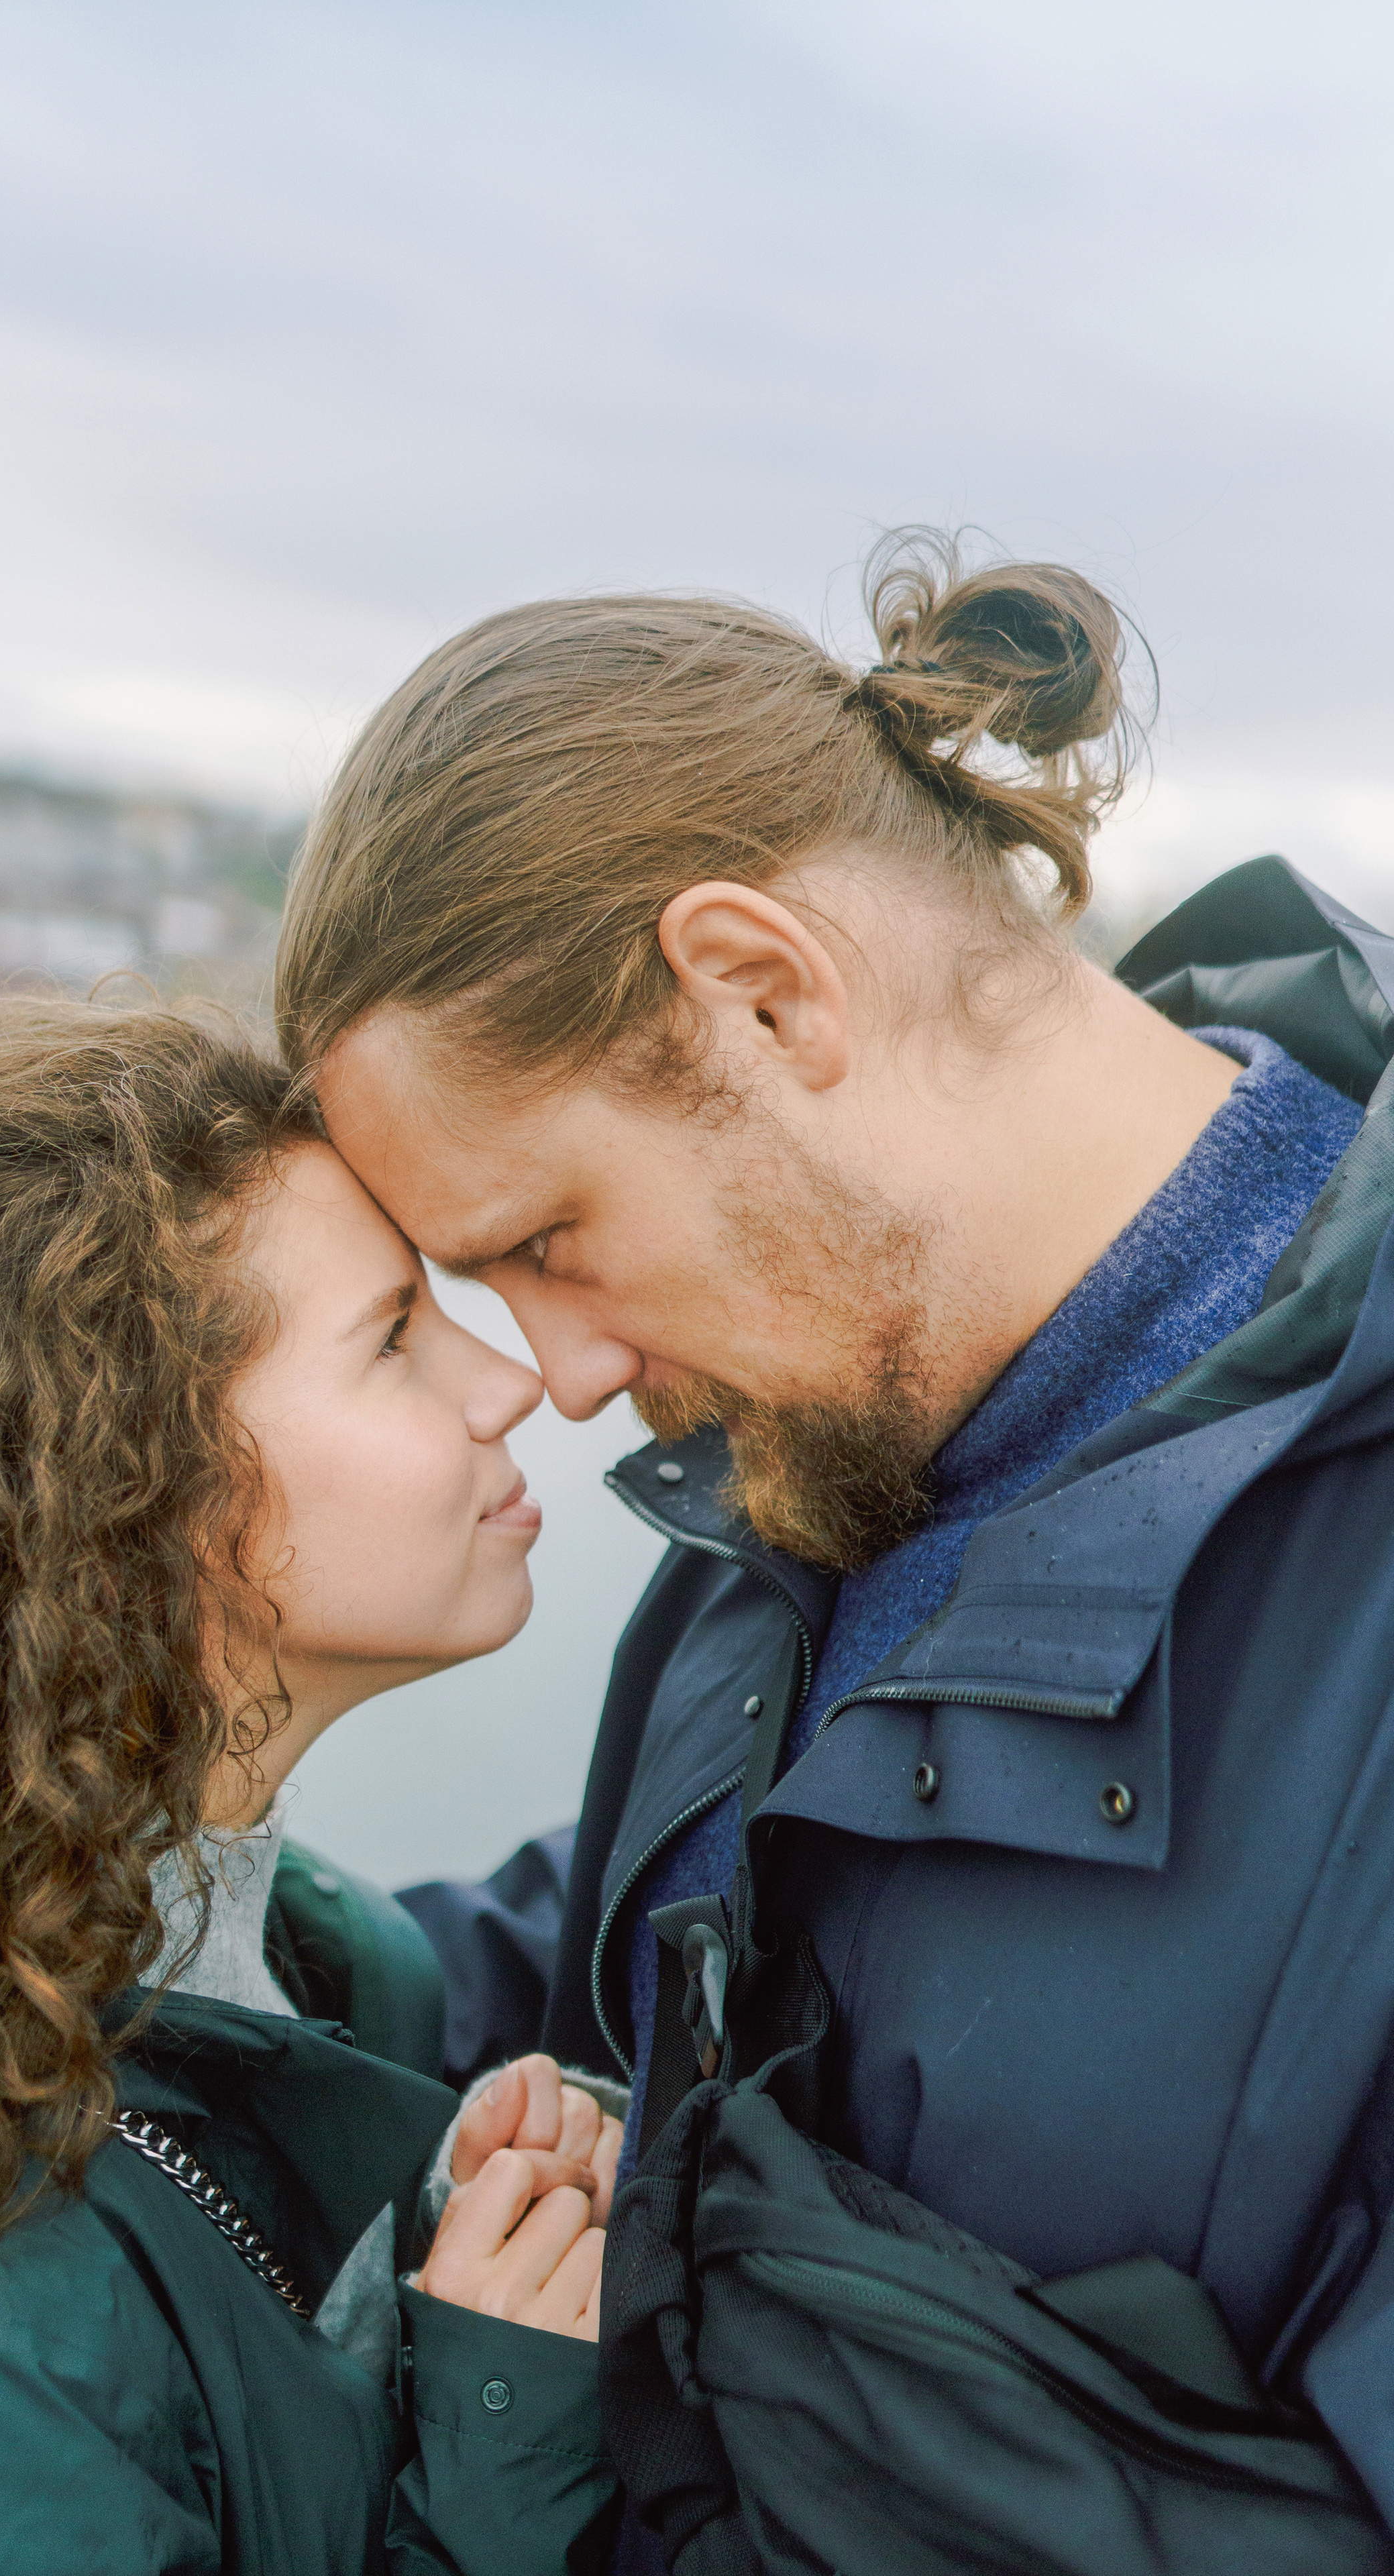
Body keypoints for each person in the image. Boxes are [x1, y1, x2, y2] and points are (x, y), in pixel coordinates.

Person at [275, 535, 1394, 2569]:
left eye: (545, 1241)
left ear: (765, 990)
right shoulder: (826, 1423)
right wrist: (89, 1955)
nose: (575, 1376)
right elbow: (678, 1965)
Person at [0, 999, 624, 2576]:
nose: (505, 1383)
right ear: (129, 1489)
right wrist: (498, 2444)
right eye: (393, 1336)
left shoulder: (287, 1965)